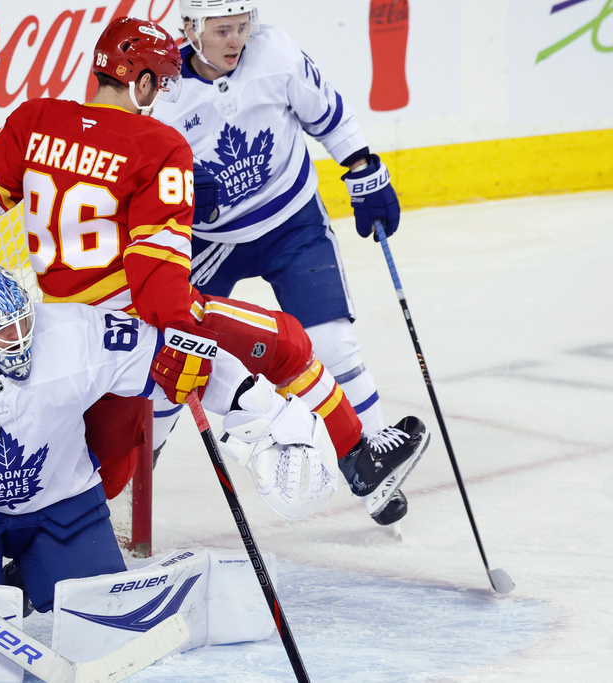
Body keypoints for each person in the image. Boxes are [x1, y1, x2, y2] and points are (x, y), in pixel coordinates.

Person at [0, 16, 426, 526]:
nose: (160, 95)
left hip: (57, 330)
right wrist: (186, 331)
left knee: (103, 464)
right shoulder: (158, 145)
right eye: (158, 83)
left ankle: (39, 528)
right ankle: (359, 460)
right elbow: (156, 276)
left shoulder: (34, 122)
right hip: (132, 331)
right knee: (285, 343)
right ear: (140, 81)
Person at [0, 259, 321, 613]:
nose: (18, 340)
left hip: (65, 505)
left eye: (22, 325)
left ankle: (36, 570)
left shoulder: (75, 333)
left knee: (101, 618)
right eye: (0, 334)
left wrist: (260, 409)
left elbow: (179, 358)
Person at [152, 0, 412, 516]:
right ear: (189, 29)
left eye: (241, 27)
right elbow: (140, 178)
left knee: (332, 341)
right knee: (169, 356)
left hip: (290, 220)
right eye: (221, 30)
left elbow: (328, 112)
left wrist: (361, 166)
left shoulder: (275, 53)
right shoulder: (163, 93)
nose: (235, 41)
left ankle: (374, 461)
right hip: (211, 242)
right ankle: (133, 474)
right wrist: (176, 194)